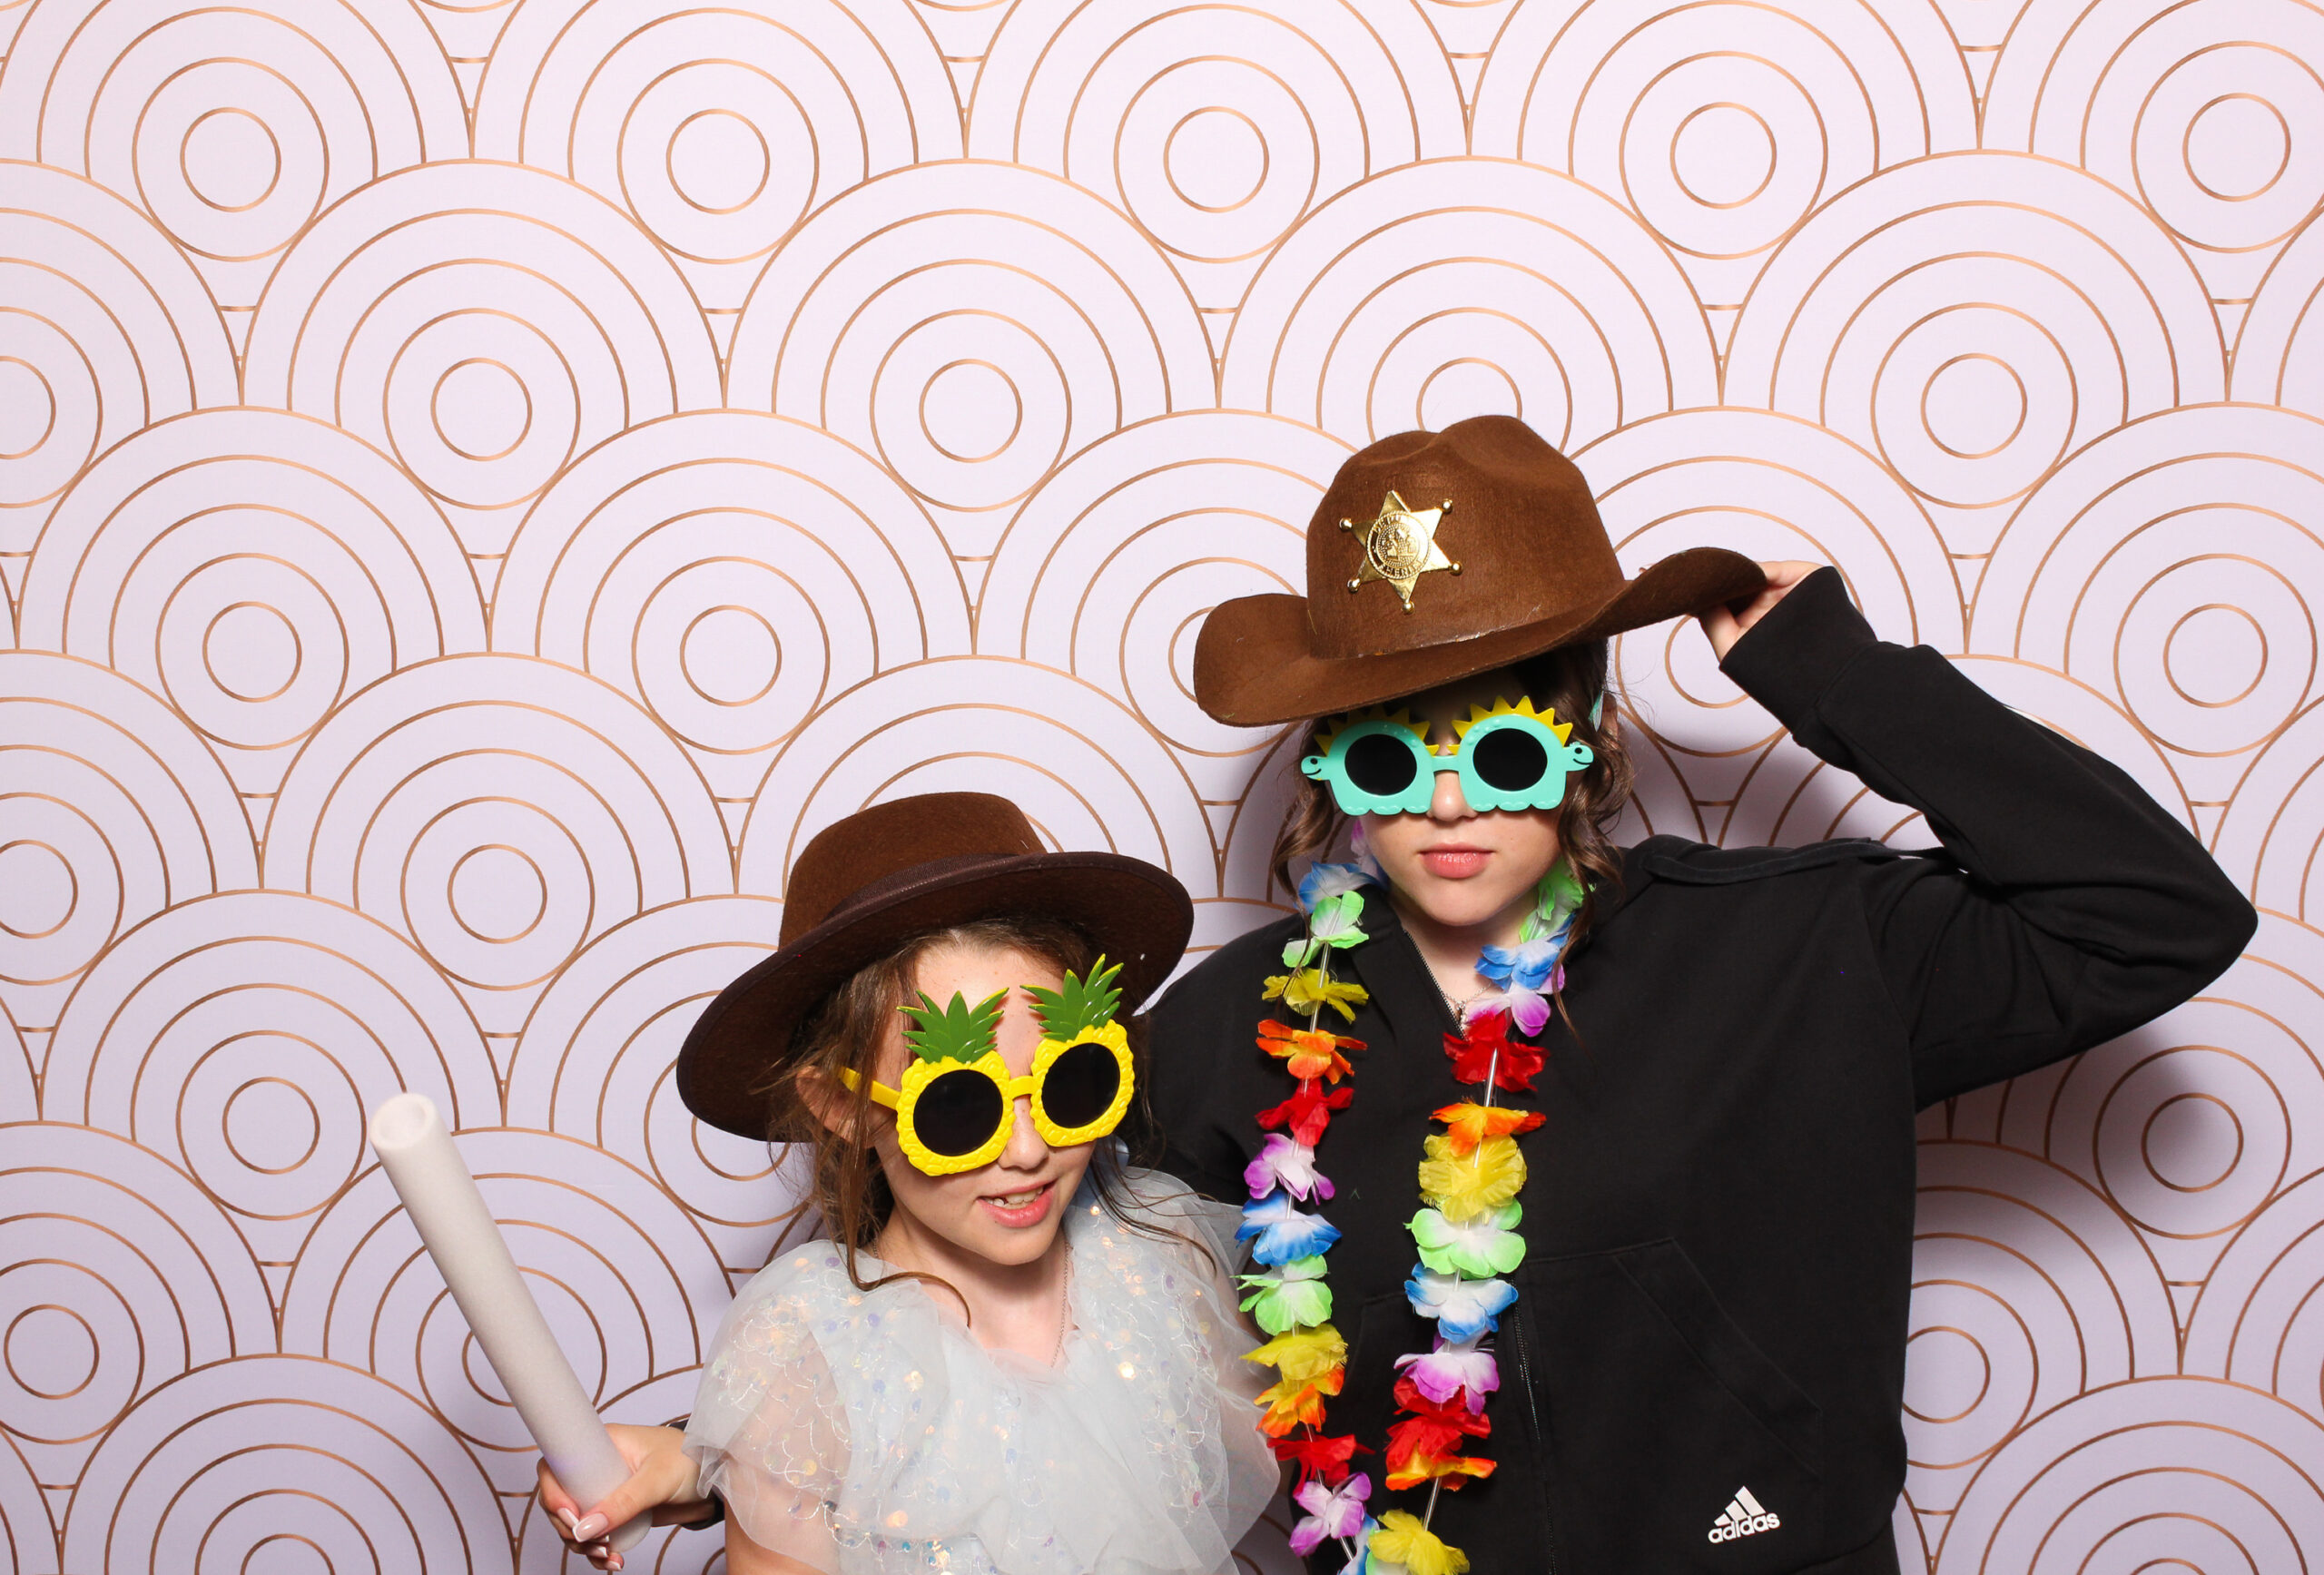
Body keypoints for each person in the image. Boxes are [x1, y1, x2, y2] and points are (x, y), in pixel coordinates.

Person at [1140, 415, 2256, 1574]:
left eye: (1503, 752)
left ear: (1588, 739)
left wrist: (1834, 676)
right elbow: (1085, 1275)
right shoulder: (1232, 1027)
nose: (1448, 803)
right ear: (1331, 768)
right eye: (1389, 758)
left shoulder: (1799, 945)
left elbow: (2158, 917)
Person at [536, 792, 1275, 1573]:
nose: (1028, 1150)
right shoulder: (807, 1350)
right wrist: (722, 1456)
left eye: (1071, 1081)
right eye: (959, 1106)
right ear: (842, 1106)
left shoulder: (1162, 1255)